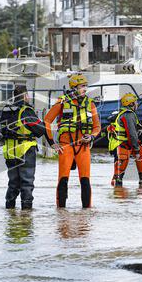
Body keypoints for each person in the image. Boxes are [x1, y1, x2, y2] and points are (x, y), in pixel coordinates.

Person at [44, 73, 101, 208]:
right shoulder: (62, 102)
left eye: (85, 86)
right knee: (63, 180)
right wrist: (52, 143)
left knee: (85, 181)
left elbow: (97, 126)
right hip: (66, 146)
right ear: (74, 88)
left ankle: (86, 215)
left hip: (83, 146)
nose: (85, 89)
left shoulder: (90, 104)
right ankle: (61, 212)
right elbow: (46, 121)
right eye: (82, 86)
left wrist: (92, 136)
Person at [0, 84, 46, 210]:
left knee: (13, 184)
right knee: (27, 183)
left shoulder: (6, 110)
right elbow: (40, 130)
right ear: (25, 96)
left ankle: (10, 212)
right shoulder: (26, 111)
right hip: (25, 151)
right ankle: (26, 215)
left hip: (9, 151)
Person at [107, 92, 142, 187]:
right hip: (120, 144)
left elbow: (132, 135)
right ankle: (117, 182)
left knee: (141, 152)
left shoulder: (126, 113)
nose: (136, 104)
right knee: (123, 160)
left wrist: (139, 145)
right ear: (131, 104)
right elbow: (131, 134)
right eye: (135, 102)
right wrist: (136, 149)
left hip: (126, 142)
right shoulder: (129, 115)